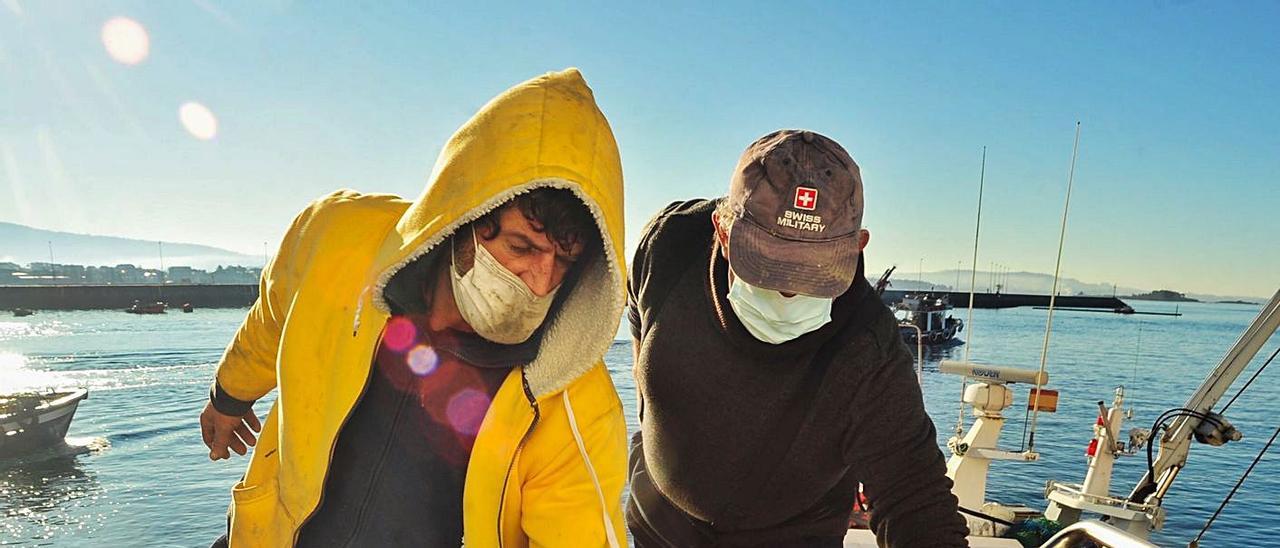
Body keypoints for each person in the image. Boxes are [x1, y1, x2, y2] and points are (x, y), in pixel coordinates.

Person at [200, 68, 628, 547]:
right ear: (464, 216)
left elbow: (582, 530)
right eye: (522, 248)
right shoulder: (336, 237)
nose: (541, 281)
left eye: (565, 261)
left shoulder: (572, 399)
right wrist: (230, 396)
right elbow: (275, 313)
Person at [626, 129, 968, 547]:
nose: (789, 293)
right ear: (722, 231)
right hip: (657, 527)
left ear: (856, 248)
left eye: (815, 273)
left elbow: (915, 497)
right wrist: (645, 428)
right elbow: (638, 323)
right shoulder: (667, 245)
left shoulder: (869, 348)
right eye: (767, 266)